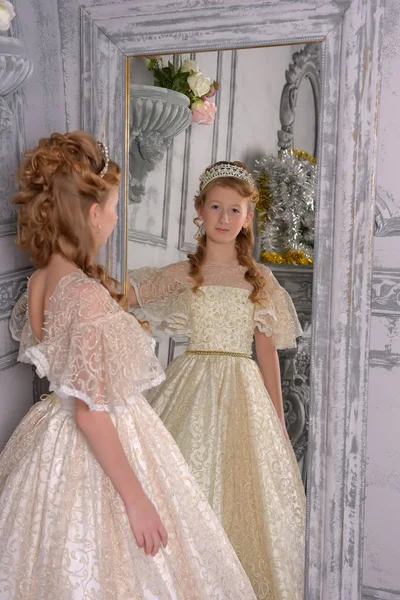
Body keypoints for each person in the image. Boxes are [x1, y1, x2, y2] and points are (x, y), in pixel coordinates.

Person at [0, 135, 257, 600]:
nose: (118, 218)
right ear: (91, 215)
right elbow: (90, 413)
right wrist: (136, 501)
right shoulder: (82, 292)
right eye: (115, 208)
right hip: (97, 436)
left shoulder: (42, 280)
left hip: (48, 438)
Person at [129, 161, 306, 600]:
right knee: (185, 478)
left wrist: (280, 422)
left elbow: (266, 352)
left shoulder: (259, 278)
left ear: (248, 217)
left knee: (248, 493)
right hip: (192, 382)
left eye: (235, 210)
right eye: (216, 207)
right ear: (200, 211)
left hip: (243, 389)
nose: (224, 219)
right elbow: (131, 297)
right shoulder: (185, 272)